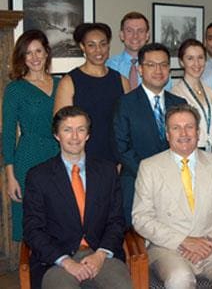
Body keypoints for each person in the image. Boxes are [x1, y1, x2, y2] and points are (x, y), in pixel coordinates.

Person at [132, 104, 212, 289]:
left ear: (198, 132)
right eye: (176, 128)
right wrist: (184, 241)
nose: (184, 133)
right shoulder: (149, 167)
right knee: (179, 278)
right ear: (167, 135)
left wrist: (210, 241)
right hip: (169, 248)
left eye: (189, 127)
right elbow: (141, 218)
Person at [23, 106, 131, 289]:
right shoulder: (38, 176)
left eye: (81, 130)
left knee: (122, 285)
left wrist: (100, 254)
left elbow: (116, 221)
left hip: (101, 256)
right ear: (57, 135)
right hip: (58, 262)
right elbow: (33, 229)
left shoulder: (107, 171)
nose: (75, 137)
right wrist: (66, 262)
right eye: (67, 130)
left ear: (88, 135)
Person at [113, 42, 186, 226]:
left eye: (163, 64)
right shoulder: (125, 103)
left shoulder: (179, 103)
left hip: (176, 184)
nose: (158, 70)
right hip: (137, 182)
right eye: (151, 65)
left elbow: (186, 143)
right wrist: (151, 176)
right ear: (140, 69)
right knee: (137, 245)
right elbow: (121, 147)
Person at [2, 30, 60, 242]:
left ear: (46, 53)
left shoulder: (62, 83)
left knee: (59, 214)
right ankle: (31, 272)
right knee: (31, 218)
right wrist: (10, 177)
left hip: (58, 155)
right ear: (22, 58)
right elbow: (8, 134)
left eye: (38, 51)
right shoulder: (15, 89)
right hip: (28, 157)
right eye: (28, 53)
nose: (34, 57)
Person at [54, 23, 130, 164]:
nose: (98, 50)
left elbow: (128, 125)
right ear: (82, 47)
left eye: (103, 44)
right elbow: (61, 127)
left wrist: (122, 160)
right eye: (91, 45)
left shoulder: (121, 81)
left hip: (116, 159)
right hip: (80, 159)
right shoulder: (69, 82)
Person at [172, 38, 212, 155]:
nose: (196, 64)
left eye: (200, 58)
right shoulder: (176, 94)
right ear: (181, 62)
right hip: (190, 154)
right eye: (190, 58)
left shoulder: (211, 93)